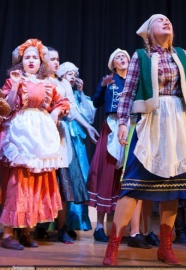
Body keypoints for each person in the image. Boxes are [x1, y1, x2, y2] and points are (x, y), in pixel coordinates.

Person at [102, 13, 186, 266]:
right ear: (149, 30)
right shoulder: (140, 57)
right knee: (132, 186)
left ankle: (165, 248)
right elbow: (128, 92)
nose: (166, 22)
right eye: (159, 20)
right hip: (151, 122)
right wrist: (122, 123)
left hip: (177, 122)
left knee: (173, 188)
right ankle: (113, 248)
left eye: (168, 21)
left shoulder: (180, 55)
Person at [0, 39, 70, 250]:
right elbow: (6, 107)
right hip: (20, 132)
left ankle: (26, 231)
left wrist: (55, 112)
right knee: (18, 183)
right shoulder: (14, 80)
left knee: (36, 182)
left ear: (40, 61)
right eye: (26, 57)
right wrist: (15, 85)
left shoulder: (48, 83)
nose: (31, 61)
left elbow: (63, 102)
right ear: (21, 61)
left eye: (34, 57)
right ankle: (8, 233)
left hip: (42, 134)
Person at [42, 48, 99, 244]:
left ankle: (62, 228)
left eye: (57, 59)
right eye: (52, 59)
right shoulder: (39, 81)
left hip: (60, 135)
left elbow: (72, 109)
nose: (55, 62)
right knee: (43, 182)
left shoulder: (63, 84)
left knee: (64, 184)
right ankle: (38, 226)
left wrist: (88, 126)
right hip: (42, 134)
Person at [87, 49, 129, 242]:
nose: (122, 59)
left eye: (124, 56)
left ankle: (125, 227)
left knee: (125, 175)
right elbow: (96, 103)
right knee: (107, 172)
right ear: (113, 64)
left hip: (130, 126)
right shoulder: (109, 80)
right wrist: (102, 87)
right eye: (118, 57)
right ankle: (99, 226)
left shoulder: (134, 80)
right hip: (111, 126)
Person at [57, 62, 98, 236]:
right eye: (69, 74)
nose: (73, 77)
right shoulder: (58, 92)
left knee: (77, 179)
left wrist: (81, 93)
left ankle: (74, 222)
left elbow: (89, 117)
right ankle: (55, 224)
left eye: (75, 74)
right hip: (62, 137)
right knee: (61, 180)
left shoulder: (79, 97)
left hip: (77, 141)